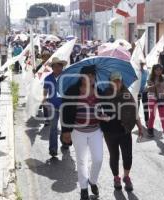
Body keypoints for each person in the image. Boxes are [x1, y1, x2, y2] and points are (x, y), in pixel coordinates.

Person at [61, 66, 107, 200]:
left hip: (95, 130)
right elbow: (65, 111)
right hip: (78, 131)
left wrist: (104, 114)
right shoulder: (72, 91)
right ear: (82, 77)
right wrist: (65, 131)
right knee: (81, 161)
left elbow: (106, 109)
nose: (91, 78)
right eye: (88, 75)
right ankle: (83, 189)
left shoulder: (100, 91)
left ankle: (92, 181)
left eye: (93, 75)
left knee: (98, 159)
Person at [100, 71, 137, 192]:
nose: (116, 83)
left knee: (128, 156)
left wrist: (139, 125)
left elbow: (133, 110)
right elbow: (98, 108)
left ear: (121, 81)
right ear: (110, 82)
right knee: (114, 156)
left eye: (118, 80)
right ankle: (116, 177)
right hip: (109, 130)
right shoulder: (105, 94)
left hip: (124, 129)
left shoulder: (127, 93)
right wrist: (102, 115)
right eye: (114, 81)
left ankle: (126, 177)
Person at [43, 57, 68, 157]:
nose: (58, 68)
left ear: (62, 67)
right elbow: (45, 91)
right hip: (53, 106)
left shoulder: (66, 77)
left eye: (59, 66)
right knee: (53, 128)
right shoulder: (48, 78)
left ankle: (65, 142)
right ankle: (53, 149)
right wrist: (44, 99)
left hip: (65, 106)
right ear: (52, 68)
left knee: (65, 127)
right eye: (55, 66)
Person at [146, 64, 164, 142]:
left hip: (161, 98)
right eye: (157, 70)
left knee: (163, 116)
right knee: (152, 115)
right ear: (154, 70)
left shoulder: (163, 78)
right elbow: (147, 89)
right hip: (152, 98)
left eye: (160, 70)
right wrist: (154, 86)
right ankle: (150, 129)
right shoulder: (150, 78)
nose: (158, 71)